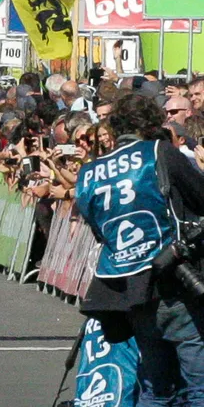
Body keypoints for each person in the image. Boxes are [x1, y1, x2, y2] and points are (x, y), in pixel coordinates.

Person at [76, 94, 204, 406]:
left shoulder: (89, 172)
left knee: (156, 387)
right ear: (151, 124)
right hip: (175, 279)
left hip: (130, 287)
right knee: (198, 386)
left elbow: (98, 230)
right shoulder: (158, 152)